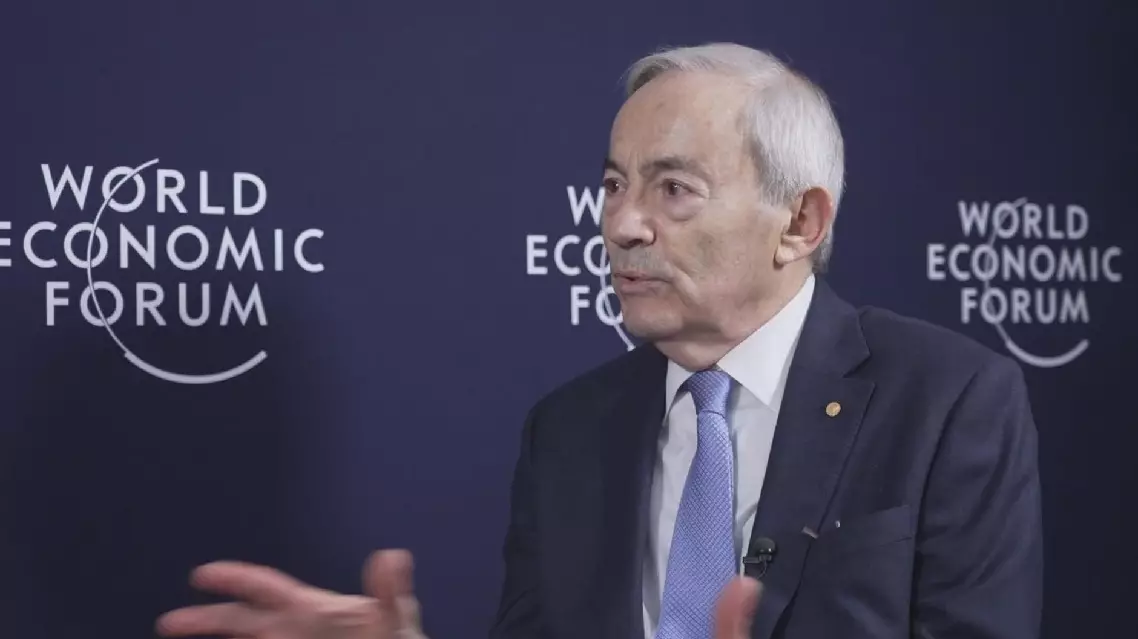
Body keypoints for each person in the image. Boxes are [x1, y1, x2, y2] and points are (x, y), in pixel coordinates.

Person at [156, 42, 1043, 639]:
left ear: (800, 222)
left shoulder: (946, 400)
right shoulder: (568, 430)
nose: (621, 224)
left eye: (673, 189)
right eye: (615, 185)